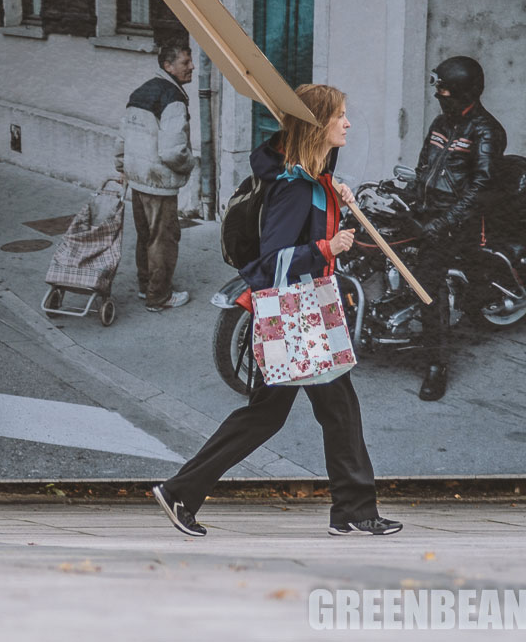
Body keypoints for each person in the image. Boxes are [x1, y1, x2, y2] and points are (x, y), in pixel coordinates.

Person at [151, 85, 402, 539]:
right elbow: (272, 262)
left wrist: (331, 191)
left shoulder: (309, 179)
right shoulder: (293, 189)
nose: (347, 123)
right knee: (286, 414)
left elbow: (308, 199)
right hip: (296, 314)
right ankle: (182, 492)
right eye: (339, 117)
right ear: (316, 126)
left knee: (323, 409)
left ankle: (352, 510)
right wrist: (328, 244)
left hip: (307, 310)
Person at [407, 55, 507, 401]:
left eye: (445, 91)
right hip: (430, 212)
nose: (439, 95)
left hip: (460, 220)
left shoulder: (486, 131)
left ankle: (436, 365)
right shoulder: (440, 123)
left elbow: (482, 188)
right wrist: (404, 198)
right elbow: (423, 167)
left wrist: (445, 221)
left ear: (465, 93)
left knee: (426, 278)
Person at [116, 38, 199, 312]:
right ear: (168, 66)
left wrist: (122, 168)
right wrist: (191, 164)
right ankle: (159, 296)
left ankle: (146, 287)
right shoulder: (172, 98)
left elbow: (122, 137)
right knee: (162, 239)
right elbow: (173, 152)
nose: (192, 68)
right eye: (185, 63)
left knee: (145, 236)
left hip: (138, 179)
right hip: (158, 183)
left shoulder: (140, 91)